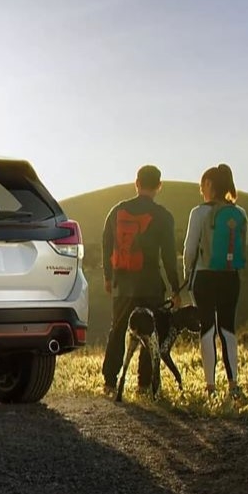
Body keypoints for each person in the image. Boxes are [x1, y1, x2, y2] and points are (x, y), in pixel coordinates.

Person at [102, 165, 182, 397]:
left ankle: (109, 382)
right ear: (159, 186)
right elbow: (168, 256)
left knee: (117, 330)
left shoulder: (117, 211)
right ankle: (143, 385)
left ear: (136, 183)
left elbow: (107, 244)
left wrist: (108, 277)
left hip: (123, 284)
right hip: (150, 285)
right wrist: (176, 289)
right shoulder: (163, 216)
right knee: (150, 333)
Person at [183, 164, 247, 397]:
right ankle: (233, 384)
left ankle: (210, 386)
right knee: (228, 329)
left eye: (202, 186)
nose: (201, 190)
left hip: (205, 276)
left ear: (209, 184)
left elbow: (190, 250)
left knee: (207, 329)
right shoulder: (239, 214)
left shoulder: (198, 213)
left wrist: (186, 274)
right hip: (231, 277)